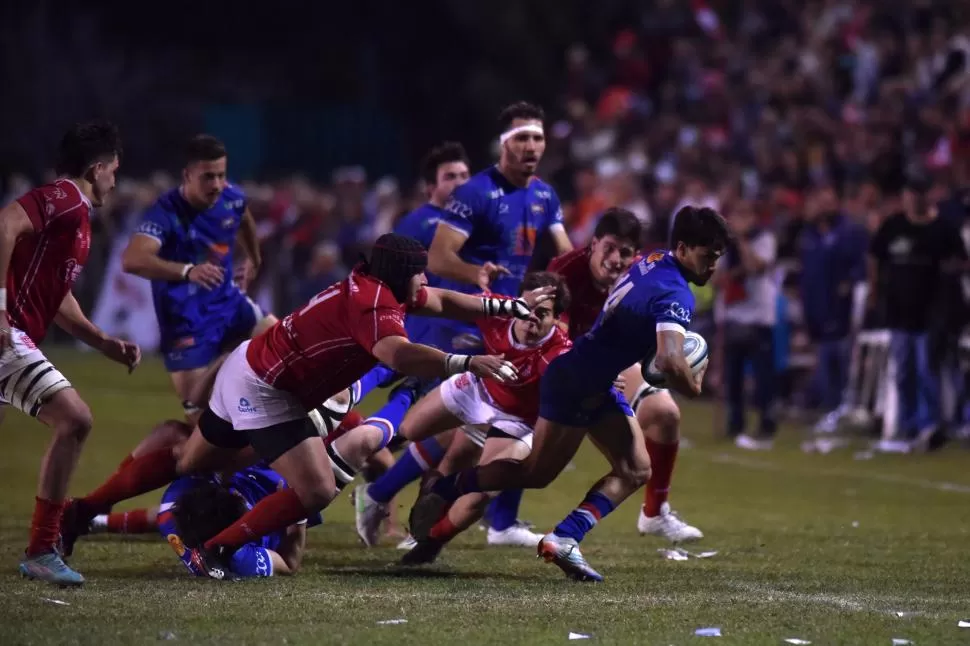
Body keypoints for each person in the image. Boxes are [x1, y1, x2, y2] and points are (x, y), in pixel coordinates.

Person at [176, 233, 549, 578]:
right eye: (419, 274)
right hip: (266, 390)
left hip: (248, 364)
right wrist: (464, 362)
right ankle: (215, 547)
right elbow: (399, 355)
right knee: (318, 490)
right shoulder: (372, 305)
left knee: (190, 464)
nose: (424, 281)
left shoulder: (377, 286)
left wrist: (507, 306)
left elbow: (443, 300)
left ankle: (177, 519)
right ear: (400, 274)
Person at [409, 206, 728, 582]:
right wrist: (696, 383)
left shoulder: (654, 260)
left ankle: (564, 537)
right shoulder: (677, 293)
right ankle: (445, 487)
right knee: (535, 472)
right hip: (578, 381)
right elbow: (671, 360)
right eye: (707, 257)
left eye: (717, 259)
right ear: (684, 247)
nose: (711, 267)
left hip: (590, 376)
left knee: (637, 468)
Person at [426, 101, 573, 544]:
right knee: (455, 428)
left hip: (521, 321)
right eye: (522, 138)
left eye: (537, 138)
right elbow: (438, 257)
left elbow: (565, 259)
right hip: (475, 321)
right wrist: (478, 277)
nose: (531, 146)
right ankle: (382, 492)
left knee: (522, 414)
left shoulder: (545, 195)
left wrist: (581, 297)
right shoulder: (474, 193)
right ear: (504, 144)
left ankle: (502, 523)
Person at [0, 120, 139, 586]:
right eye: (114, 170)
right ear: (97, 168)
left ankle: (42, 548)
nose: (116, 181)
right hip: (7, 335)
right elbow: (5, 223)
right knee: (74, 419)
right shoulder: (64, 197)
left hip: (16, 335)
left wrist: (103, 343)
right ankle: (42, 548)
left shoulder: (76, 219)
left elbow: (57, 296)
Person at [354, 271, 571, 558]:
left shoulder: (560, 351)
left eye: (542, 314)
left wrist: (603, 381)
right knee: (405, 431)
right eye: (528, 308)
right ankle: (366, 489)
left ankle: (429, 542)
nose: (531, 318)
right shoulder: (499, 311)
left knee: (479, 494)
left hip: (516, 419)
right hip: (477, 389)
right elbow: (443, 303)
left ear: (557, 320)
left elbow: (579, 378)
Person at [549, 207, 703, 542]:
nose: (616, 259)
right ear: (593, 245)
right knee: (535, 463)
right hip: (562, 363)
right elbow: (549, 338)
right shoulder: (565, 274)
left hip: (612, 362)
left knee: (665, 415)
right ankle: (500, 521)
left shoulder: (643, 272)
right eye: (610, 248)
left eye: (626, 252)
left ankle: (655, 513)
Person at [120, 134, 274, 420]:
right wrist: (187, 271)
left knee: (289, 349)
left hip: (229, 303)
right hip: (185, 323)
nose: (216, 185)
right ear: (187, 175)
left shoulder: (231, 197)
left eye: (221, 175)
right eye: (207, 177)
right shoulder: (166, 212)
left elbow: (244, 219)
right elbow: (132, 260)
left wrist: (254, 258)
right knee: (200, 419)